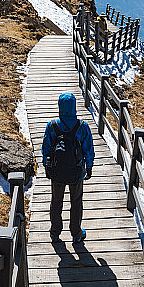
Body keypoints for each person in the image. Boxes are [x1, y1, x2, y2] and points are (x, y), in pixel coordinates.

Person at [42, 92, 94, 243]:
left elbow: (46, 148)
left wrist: (46, 165)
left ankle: (55, 232)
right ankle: (76, 233)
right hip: (76, 171)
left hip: (57, 171)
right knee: (76, 201)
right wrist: (89, 167)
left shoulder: (52, 126)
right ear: (74, 107)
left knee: (56, 201)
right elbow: (88, 149)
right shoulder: (82, 126)